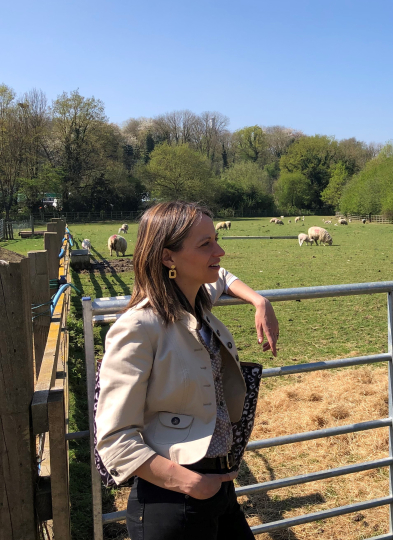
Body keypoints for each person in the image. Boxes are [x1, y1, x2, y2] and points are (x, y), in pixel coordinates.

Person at [94, 201, 280, 539]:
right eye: (205, 244)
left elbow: (222, 276)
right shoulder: (138, 327)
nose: (220, 250)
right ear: (168, 257)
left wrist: (259, 301)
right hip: (173, 499)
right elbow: (114, 440)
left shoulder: (194, 299)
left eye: (215, 240)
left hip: (218, 488)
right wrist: (190, 483)